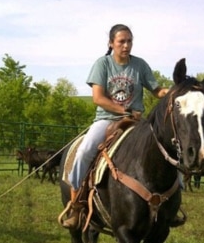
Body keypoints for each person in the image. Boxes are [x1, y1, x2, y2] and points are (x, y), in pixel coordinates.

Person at [61, 23, 171, 229]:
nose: (126, 45)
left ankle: (173, 204)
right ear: (111, 43)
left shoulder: (140, 65)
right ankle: (76, 204)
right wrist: (123, 111)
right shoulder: (102, 64)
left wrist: (173, 92)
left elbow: (156, 90)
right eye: (121, 41)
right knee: (84, 151)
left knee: (168, 148)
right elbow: (98, 98)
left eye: (129, 41)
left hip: (137, 123)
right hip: (107, 119)